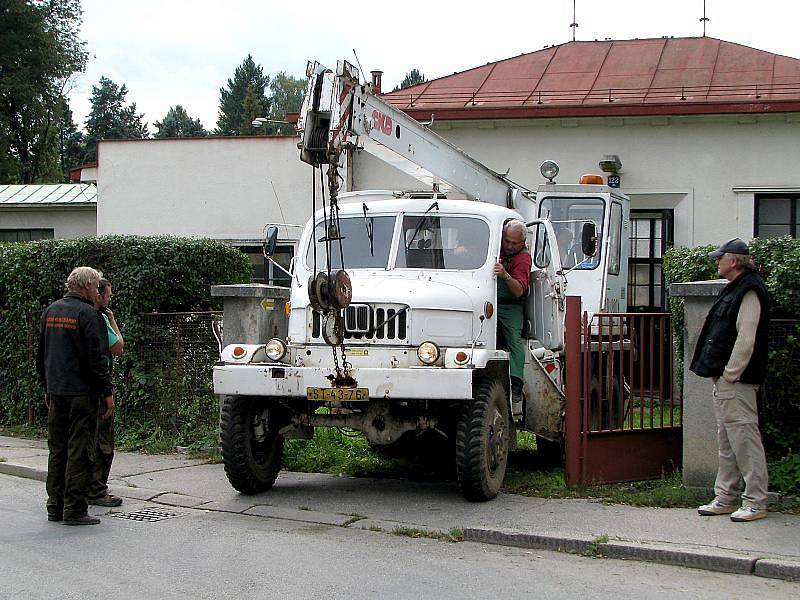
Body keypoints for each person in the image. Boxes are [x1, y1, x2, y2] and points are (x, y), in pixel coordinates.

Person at [692, 238, 770, 522]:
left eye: (720, 257)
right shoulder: (737, 288)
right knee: (727, 441)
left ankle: (755, 501)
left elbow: (746, 339)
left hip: (736, 381)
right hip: (728, 379)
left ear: (733, 261)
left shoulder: (749, 290)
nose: (717, 261)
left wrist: (730, 374)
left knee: (744, 440)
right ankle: (725, 496)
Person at [36, 267, 114, 526]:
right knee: (79, 450)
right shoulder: (89, 315)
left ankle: (54, 505)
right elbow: (97, 359)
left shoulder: (51, 311)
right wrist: (106, 392)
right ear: (87, 286)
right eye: (95, 287)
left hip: (57, 391)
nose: (97, 291)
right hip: (82, 393)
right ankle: (75, 509)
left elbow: (42, 354)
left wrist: (46, 387)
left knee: (57, 449)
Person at [87, 277, 124, 508]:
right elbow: (118, 347)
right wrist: (113, 320)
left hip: (75, 389)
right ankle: (97, 489)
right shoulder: (99, 318)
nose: (109, 300)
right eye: (108, 295)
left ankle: (81, 487)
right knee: (103, 443)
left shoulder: (71, 313)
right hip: (99, 389)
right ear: (98, 295)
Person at [493, 220, 531, 405]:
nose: (509, 246)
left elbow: (518, 291)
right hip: (488, 301)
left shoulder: (523, 259)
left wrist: (505, 275)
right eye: (507, 241)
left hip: (510, 305)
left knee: (514, 340)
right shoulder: (495, 247)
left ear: (522, 243)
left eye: (514, 243)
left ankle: (516, 383)